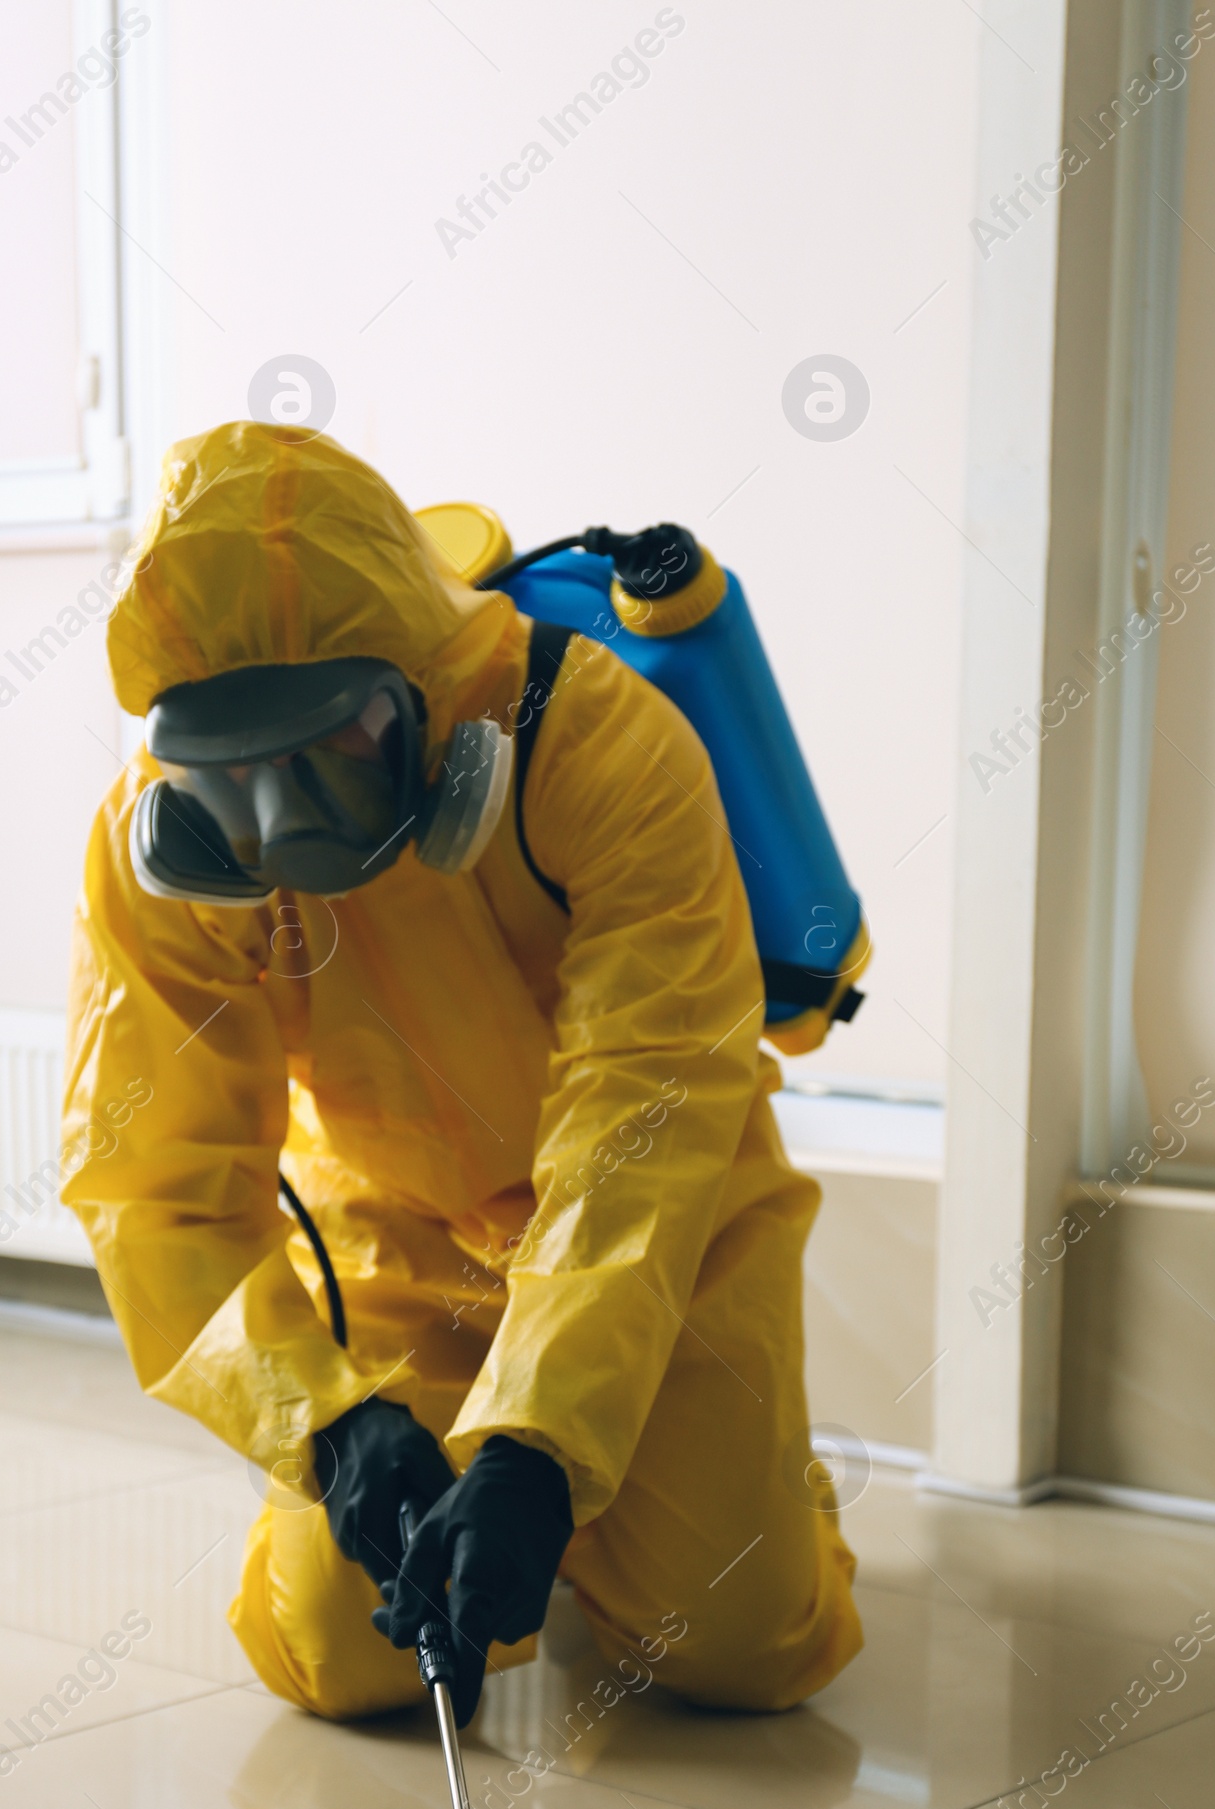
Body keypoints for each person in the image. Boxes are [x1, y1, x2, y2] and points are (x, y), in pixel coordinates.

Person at [62, 420, 862, 1730]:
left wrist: (538, 1442)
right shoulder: (155, 846)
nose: (281, 821)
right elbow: (152, 1183)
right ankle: (505, 1494)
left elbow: (643, 1112)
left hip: (666, 1216)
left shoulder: (602, 744)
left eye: (333, 748)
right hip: (397, 1226)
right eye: (232, 771)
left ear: (426, 691)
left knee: (736, 1646)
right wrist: (325, 1424)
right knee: (347, 1651)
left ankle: (747, 1490)